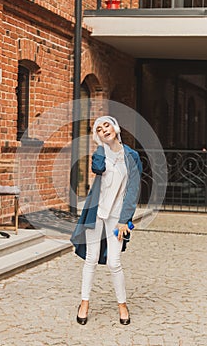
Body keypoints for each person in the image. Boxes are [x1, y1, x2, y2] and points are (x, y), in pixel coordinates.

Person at [70, 115, 142, 325]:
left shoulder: (132, 156)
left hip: (117, 217)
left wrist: (124, 220)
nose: (104, 130)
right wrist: (102, 146)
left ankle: (122, 304)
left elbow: (133, 189)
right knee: (91, 259)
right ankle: (84, 302)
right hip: (97, 213)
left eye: (106, 125)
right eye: (99, 129)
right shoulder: (100, 153)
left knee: (114, 262)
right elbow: (97, 169)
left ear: (116, 128)